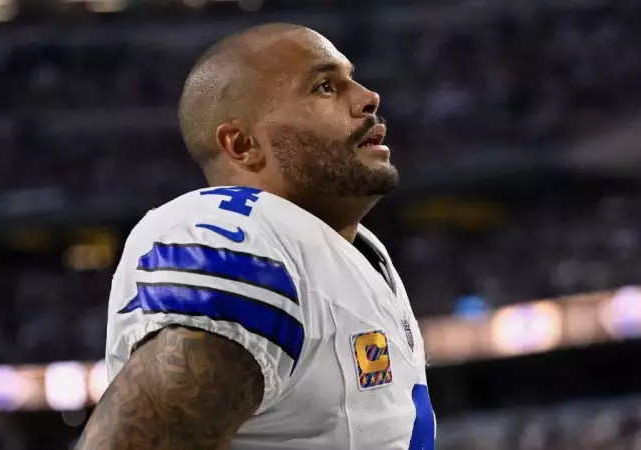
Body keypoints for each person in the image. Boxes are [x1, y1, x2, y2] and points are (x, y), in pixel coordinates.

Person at [76, 22, 435, 450]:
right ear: (242, 145)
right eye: (324, 87)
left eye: (351, 78)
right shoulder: (240, 242)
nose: (368, 97)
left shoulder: (355, 252)